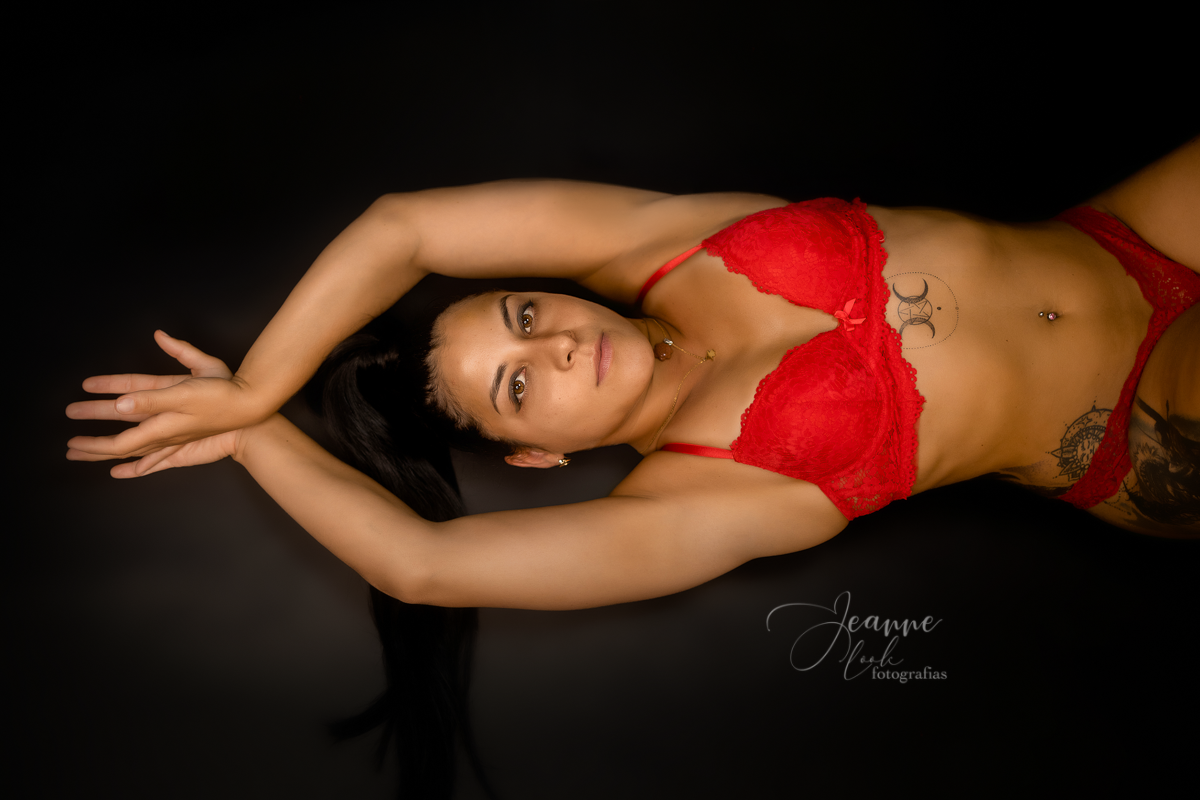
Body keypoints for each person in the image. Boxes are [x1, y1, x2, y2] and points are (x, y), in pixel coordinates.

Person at [66, 138, 1200, 794]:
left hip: (1123, 237)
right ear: (539, 452)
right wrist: (254, 433)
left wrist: (260, 379)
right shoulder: (696, 493)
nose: (554, 345)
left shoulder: (651, 244)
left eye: (522, 315)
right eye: (520, 385)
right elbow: (420, 564)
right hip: (1144, 427)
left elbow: (403, 226)